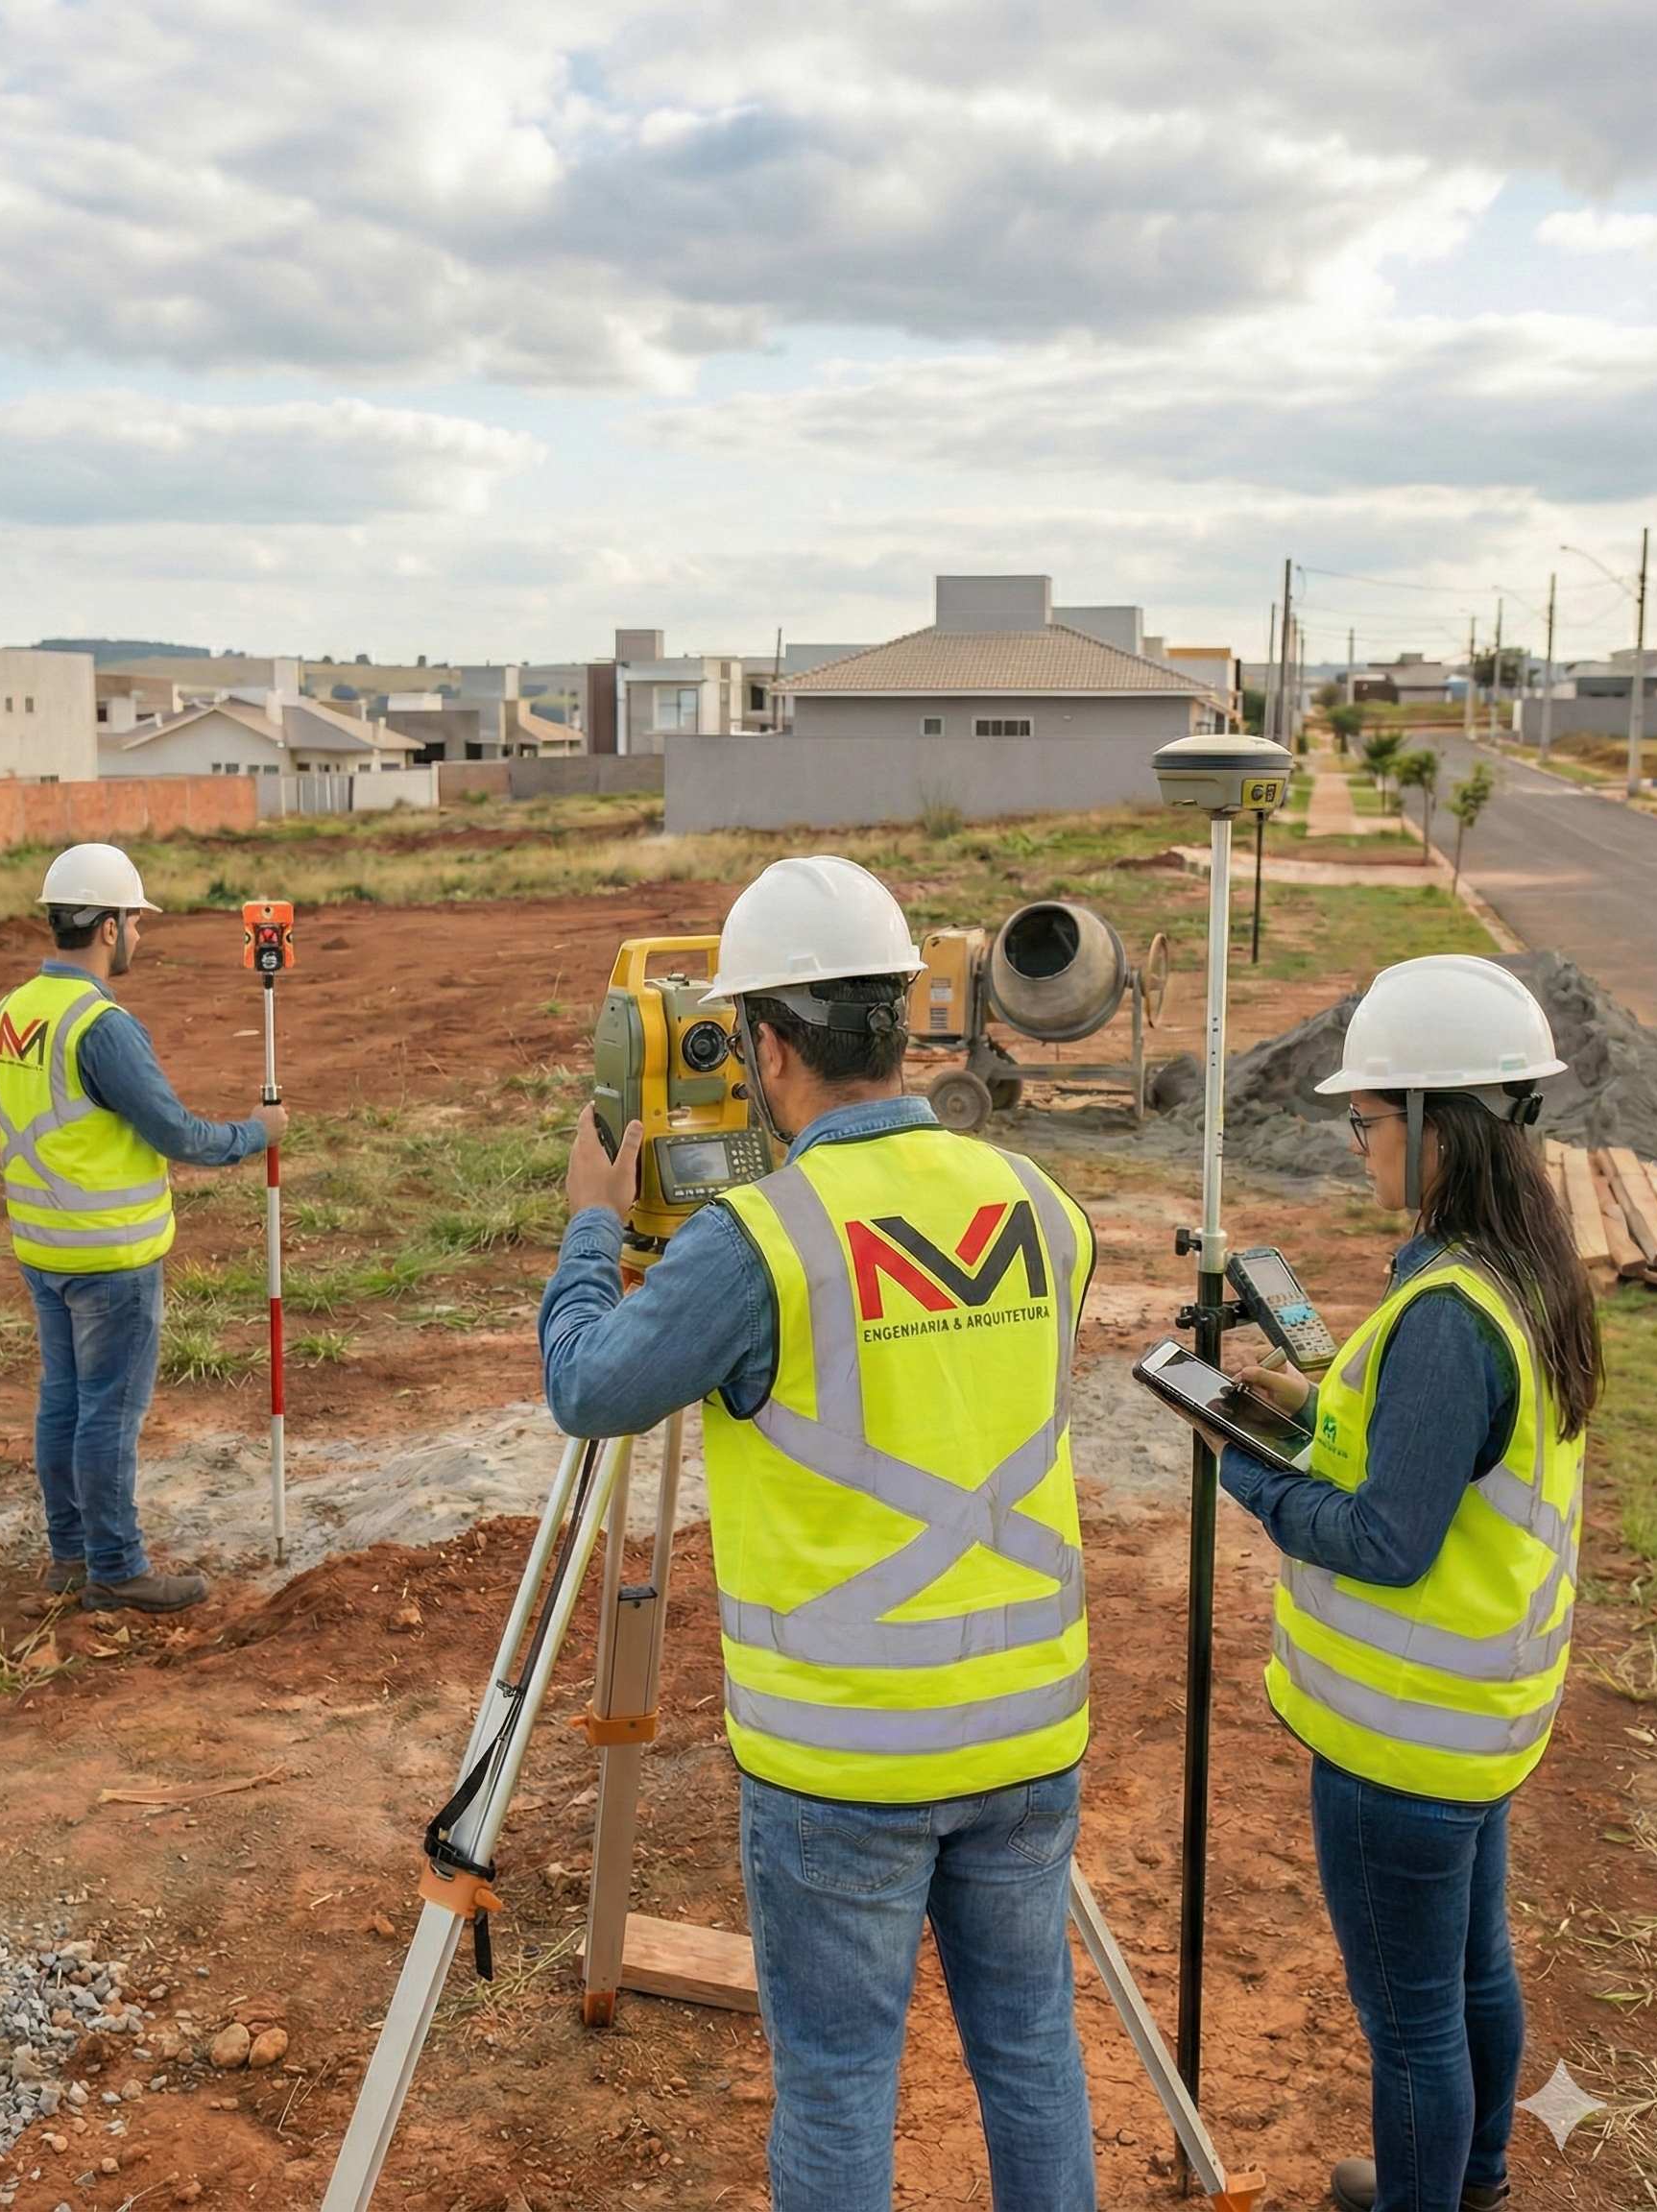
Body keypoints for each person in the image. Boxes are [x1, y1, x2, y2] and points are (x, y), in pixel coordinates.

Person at [539, 855, 1099, 2212]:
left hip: (847, 1753)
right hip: (1028, 1729)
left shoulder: (759, 1241)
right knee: (1029, 2052)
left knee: (844, 2076)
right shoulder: (1039, 1204)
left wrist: (589, 1228)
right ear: (902, 1026)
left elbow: (592, 1387)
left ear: (767, 1046)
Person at [1202, 956, 1598, 2212]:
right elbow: (1440, 1454)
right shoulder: (1517, 1268)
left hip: (1401, 1746)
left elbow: (1385, 1539)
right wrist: (1313, 1407)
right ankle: (1472, 2179)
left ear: (1437, 1124)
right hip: (1479, 1727)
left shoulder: (1448, 1312)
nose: (1357, 1145)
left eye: (1367, 1121)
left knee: (1414, 2026)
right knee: (1472, 1973)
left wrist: (1243, 1467)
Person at [0, 843, 286, 1614]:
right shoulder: (101, 1025)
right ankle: (116, 1569)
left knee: (64, 1402)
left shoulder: (11, 1013)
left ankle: (69, 1554)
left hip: (42, 1245)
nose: (141, 937)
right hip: (110, 1256)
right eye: (136, 921)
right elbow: (178, 1134)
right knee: (108, 1412)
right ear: (110, 927)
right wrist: (256, 1133)